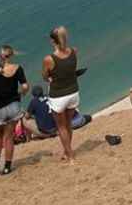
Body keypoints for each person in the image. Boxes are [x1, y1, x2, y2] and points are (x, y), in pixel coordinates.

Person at [0, 45, 29, 175]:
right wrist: (21, 93)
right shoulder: (18, 69)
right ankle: (7, 166)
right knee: (9, 137)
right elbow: (25, 86)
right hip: (13, 106)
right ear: (12, 55)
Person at [42, 26, 80, 163]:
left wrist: (50, 78)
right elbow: (71, 69)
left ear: (53, 41)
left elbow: (45, 77)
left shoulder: (49, 59)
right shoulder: (74, 51)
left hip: (58, 95)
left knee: (61, 127)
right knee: (68, 124)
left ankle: (70, 156)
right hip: (73, 92)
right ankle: (67, 151)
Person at [22, 85, 92, 139]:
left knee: (24, 119)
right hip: (67, 123)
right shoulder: (50, 96)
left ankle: (29, 139)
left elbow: (27, 116)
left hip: (48, 130)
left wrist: (33, 115)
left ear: (33, 95)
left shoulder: (33, 101)